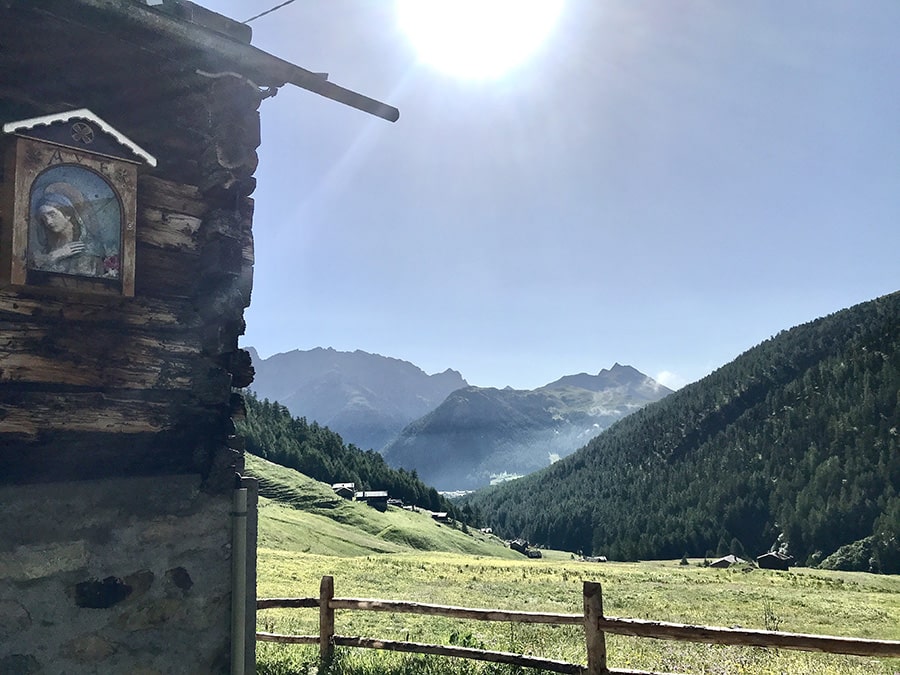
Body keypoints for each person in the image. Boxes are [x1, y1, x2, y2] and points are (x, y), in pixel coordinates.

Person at [30, 190, 104, 276]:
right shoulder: (49, 246)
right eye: (44, 218)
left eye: (52, 215)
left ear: (67, 214)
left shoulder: (89, 247)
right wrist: (53, 256)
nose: (48, 222)